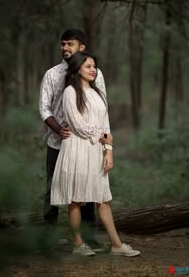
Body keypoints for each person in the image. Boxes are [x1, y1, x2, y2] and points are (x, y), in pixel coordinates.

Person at [50, 51, 141, 257]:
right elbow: (77, 125)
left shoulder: (98, 93)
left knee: (102, 198)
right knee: (75, 199)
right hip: (76, 149)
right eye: (88, 66)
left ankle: (116, 245)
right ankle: (78, 244)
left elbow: (105, 124)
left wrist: (108, 150)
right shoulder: (70, 93)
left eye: (94, 66)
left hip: (95, 150)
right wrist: (103, 136)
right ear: (77, 69)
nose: (93, 70)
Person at [39, 29, 112, 249]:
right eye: (63, 44)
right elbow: (44, 108)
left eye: (70, 44)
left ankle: (88, 237)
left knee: (87, 188)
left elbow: (103, 109)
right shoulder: (52, 74)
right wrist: (57, 128)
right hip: (58, 142)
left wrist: (106, 144)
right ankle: (49, 238)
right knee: (53, 187)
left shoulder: (95, 73)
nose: (65, 48)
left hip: (87, 143)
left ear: (81, 47)